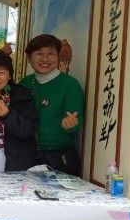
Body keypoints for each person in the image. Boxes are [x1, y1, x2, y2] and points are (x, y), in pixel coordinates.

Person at [19, 34, 84, 176]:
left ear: (58, 56)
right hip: (27, 154)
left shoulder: (70, 84)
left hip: (60, 156)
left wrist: (71, 123)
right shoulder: (24, 83)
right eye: (39, 54)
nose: (45, 59)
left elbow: (75, 117)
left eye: (50, 54)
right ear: (29, 58)